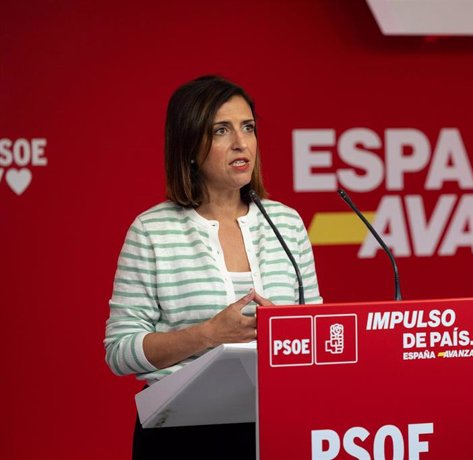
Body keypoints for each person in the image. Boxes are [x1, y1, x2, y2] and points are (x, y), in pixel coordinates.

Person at [104, 75, 322, 459]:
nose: (241, 143)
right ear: (189, 145)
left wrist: (288, 332)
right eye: (221, 130)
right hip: (182, 435)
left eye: (248, 127)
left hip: (279, 424)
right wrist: (208, 334)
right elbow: (120, 351)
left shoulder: (286, 223)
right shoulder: (152, 230)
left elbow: (318, 332)